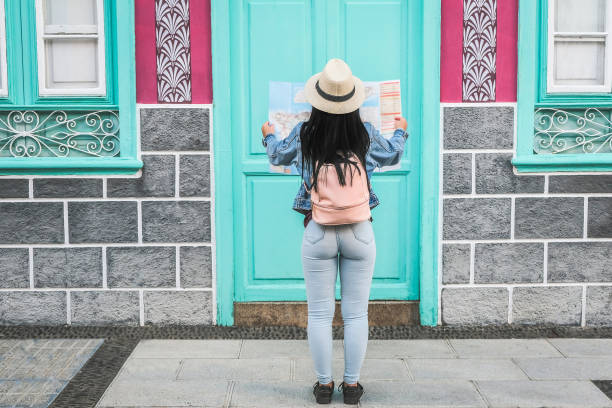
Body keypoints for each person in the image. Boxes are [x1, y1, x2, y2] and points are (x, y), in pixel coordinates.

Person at [260, 58, 408, 405]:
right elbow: (393, 154)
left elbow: (278, 157)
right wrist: (401, 129)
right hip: (359, 230)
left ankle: (324, 386)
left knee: (320, 314)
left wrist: (268, 135)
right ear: (353, 100)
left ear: (319, 100)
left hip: (318, 232)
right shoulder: (366, 133)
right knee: (356, 313)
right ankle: (352, 387)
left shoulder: (305, 134)